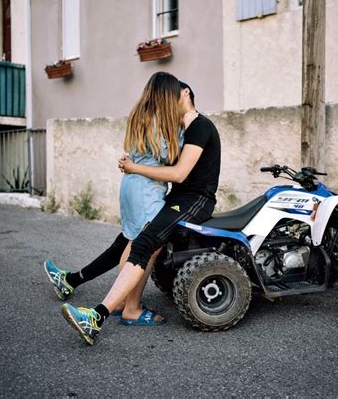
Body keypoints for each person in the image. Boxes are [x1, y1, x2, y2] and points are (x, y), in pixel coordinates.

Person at [60, 78, 221, 345]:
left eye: (172, 97)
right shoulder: (180, 127)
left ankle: (98, 316)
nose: (168, 103)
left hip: (196, 200)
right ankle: (120, 304)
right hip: (177, 198)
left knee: (144, 243)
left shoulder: (200, 126)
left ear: (186, 93)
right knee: (135, 243)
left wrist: (135, 167)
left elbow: (179, 173)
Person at [44, 72, 187, 325]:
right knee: (145, 248)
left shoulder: (139, 115)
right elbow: (171, 158)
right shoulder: (162, 123)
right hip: (146, 190)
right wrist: (184, 130)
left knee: (129, 243)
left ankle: (116, 299)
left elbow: (138, 153)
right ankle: (129, 307)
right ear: (167, 94)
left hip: (130, 186)